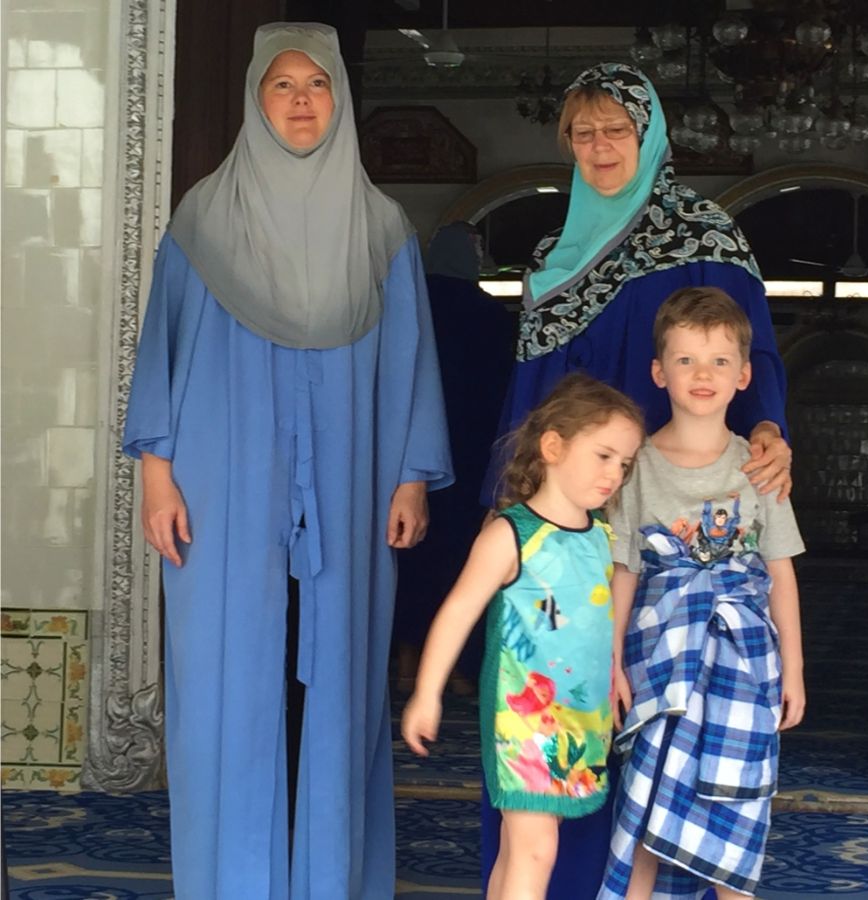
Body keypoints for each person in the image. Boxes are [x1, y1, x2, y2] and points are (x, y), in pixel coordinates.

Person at [122, 23, 452, 899]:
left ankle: (327, 880)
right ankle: (234, 880)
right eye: (283, 85)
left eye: (318, 84)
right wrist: (156, 470)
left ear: (341, 99)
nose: (302, 101)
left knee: (338, 671)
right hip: (221, 487)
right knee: (231, 673)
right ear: (254, 100)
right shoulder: (202, 219)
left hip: (350, 485)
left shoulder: (382, 229)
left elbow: (411, 360)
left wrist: (413, 472)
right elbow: (163, 348)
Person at [481, 61, 795, 898]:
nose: (599, 147)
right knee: (561, 708)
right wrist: (512, 512)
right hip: (566, 520)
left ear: (650, 135)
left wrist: (768, 428)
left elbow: (750, 355)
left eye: (616, 129)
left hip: (664, 522)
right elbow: (526, 398)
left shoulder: (705, 236)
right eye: (582, 133)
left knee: (657, 738)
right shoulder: (555, 252)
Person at [401, 373, 644, 899]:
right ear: (553, 445)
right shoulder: (511, 533)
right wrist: (427, 693)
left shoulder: (602, 535)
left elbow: (596, 625)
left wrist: (612, 673)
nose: (614, 474)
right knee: (536, 850)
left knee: (521, 849)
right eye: (603, 456)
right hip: (524, 719)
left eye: (624, 464)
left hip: (581, 720)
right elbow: (457, 613)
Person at [601, 287, 806, 899]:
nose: (702, 375)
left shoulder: (762, 467)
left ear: (744, 375)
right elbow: (625, 572)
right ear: (659, 372)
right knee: (645, 801)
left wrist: (794, 670)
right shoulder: (634, 468)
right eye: (686, 360)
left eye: (719, 361)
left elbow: (780, 573)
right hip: (657, 663)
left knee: (736, 808)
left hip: (745, 666)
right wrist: (609, 661)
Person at [393, 221, 516, 687]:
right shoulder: (489, 314)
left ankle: (407, 661)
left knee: (411, 556)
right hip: (471, 453)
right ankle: (457, 671)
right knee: (459, 557)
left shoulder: (409, 304)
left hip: (410, 459)